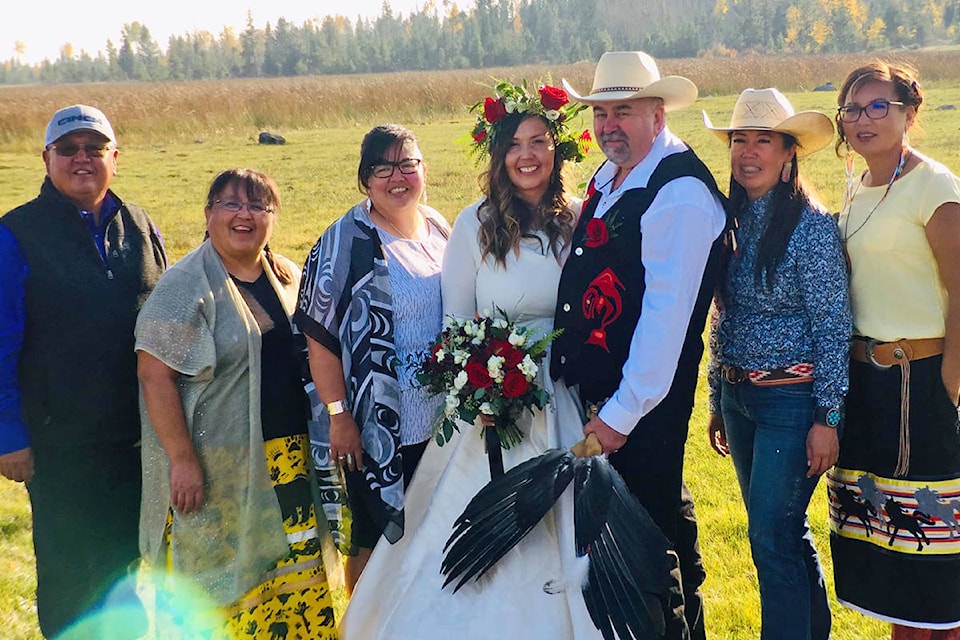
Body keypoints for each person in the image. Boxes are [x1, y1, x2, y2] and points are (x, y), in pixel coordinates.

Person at [338, 81, 599, 638]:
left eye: (538, 142)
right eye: (513, 144)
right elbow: (456, 324)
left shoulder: (579, 219)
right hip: (492, 407)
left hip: (564, 399)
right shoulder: (474, 224)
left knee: (565, 524)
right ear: (498, 155)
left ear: (559, 151)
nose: (526, 156)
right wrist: (480, 392)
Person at [551, 51, 729, 639]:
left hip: (640, 409)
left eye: (622, 112)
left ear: (657, 112)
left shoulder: (677, 194)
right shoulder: (617, 176)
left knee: (643, 559)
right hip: (613, 402)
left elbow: (664, 325)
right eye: (601, 112)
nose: (608, 126)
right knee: (661, 533)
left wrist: (620, 417)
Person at [135, 168, 337, 638]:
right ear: (208, 214)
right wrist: (182, 460)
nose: (244, 215)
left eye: (258, 206)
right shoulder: (184, 285)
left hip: (286, 463)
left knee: (291, 588)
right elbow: (153, 374)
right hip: (218, 465)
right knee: (224, 588)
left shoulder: (284, 275)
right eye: (230, 204)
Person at [0, 104, 165, 638]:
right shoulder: (14, 235)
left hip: (136, 436)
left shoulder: (140, 224)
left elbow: (171, 317)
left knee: (125, 564)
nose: (81, 159)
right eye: (68, 149)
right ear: (45, 159)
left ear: (115, 157)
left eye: (94, 149)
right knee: (72, 573)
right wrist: (9, 435)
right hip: (58, 442)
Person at [703, 87, 849, 640]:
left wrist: (827, 417)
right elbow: (726, 315)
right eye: (740, 140)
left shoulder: (809, 227)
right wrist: (718, 398)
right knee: (781, 533)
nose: (748, 152)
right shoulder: (731, 217)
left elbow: (832, 324)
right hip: (741, 398)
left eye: (764, 140)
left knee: (769, 536)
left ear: (789, 152)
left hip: (792, 400)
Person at [827, 61, 960, 639]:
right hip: (871, 386)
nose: (863, 120)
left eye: (878, 106)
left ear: (910, 112)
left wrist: (953, 378)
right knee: (894, 551)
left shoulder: (935, 187)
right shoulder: (857, 187)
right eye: (853, 109)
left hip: (926, 377)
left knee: (938, 554)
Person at [295, 124, 450, 594]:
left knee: (428, 538)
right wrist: (340, 416)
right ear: (366, 179)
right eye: (383, 168)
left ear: (424, 170)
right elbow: (317, 336)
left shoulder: (440, 227)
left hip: (440, 423)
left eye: (407, 165)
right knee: (372, 545)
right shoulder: (345, 239)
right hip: (375, 427)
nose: (397, 177)